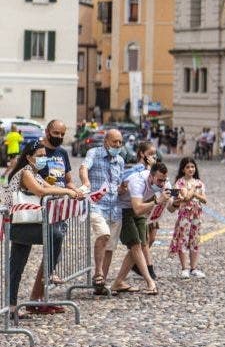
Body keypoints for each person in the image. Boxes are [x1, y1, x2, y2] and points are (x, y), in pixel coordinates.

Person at [2, 140, 80, 321]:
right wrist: (67, 192)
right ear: (29, 158)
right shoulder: (26, 173)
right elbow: (40, 191)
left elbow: (48, 187)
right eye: (40, 156)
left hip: (26, 224)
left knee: (16, 268)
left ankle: (11, 308)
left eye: (45, 156)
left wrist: (69, 190)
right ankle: (49, 272)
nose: (44, 158)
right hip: (18, 225)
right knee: (55, 234)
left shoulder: (35, 173)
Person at [110, 161, 169, 295]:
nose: (162, 184)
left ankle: (118, 282)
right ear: (151, 176)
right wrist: (156, 201)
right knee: (135, 245)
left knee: (140, 245)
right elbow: (137, 209)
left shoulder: (164, 182)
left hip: (140, 209)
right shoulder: (138, 181)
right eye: (159, 180)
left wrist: (179, 199)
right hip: (122, 209)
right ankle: (150, 282)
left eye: (164, 180)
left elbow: (171, 207)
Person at [78, 128, 125, 295]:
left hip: (115, 207)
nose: (118, 145)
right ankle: (97, 272)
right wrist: (86, 182)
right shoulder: (94, 153)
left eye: (120, 142)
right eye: (115, 142)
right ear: (106, 142)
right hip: (96, 204)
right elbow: (83, 167)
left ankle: (101, 282)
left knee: (110, 246)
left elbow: (118, 183)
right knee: (103, 235)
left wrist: (122, 188)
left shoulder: (120, 160)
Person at [169, 157, 208, 279]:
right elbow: (181, 198)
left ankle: (194, 268)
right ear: (183, 169)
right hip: (184, 214)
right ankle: (184, 268)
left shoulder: (199, 183)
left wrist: (194, 193)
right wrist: (193, 191)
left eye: (192, 167)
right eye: (187, 167)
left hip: (197, 214)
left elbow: (205, 199)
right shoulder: (178, 182)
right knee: (183, 240)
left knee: (195, 240)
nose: (190, 169)